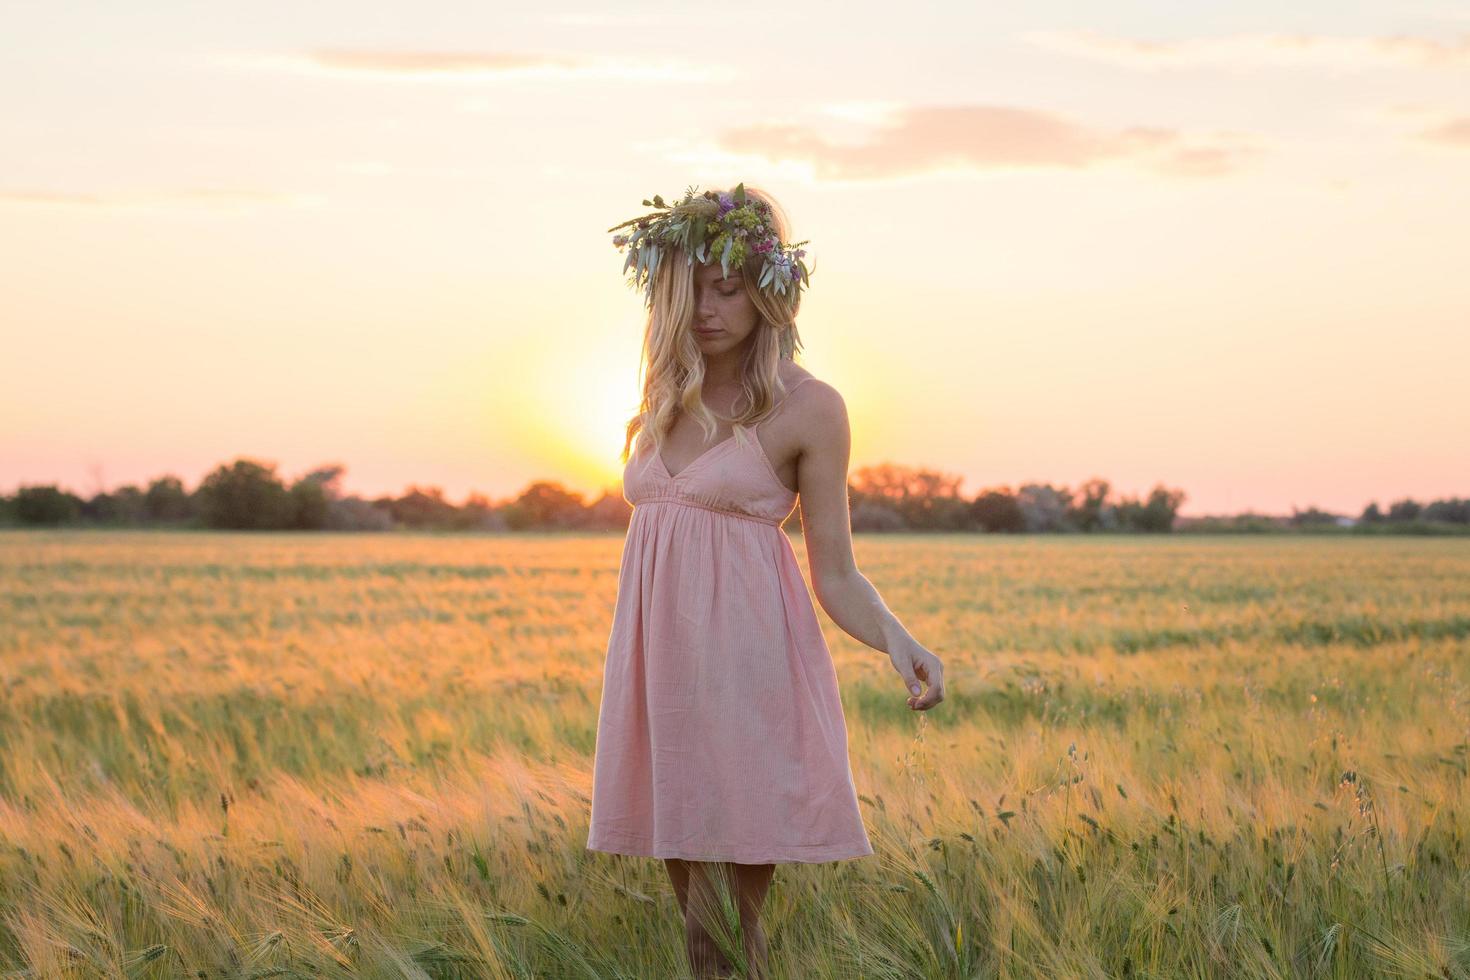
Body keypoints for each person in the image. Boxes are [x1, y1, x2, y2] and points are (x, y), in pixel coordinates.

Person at [587, 183, 946, 979]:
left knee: (727, 939)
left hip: (749, 675)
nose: (709, 309)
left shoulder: (811, 408)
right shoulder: (657, 397)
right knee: (696, 937)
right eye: (691, 291)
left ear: (770, 291)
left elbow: (837, 571)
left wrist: (898, 639)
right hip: (662, 680)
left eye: (730, 289)